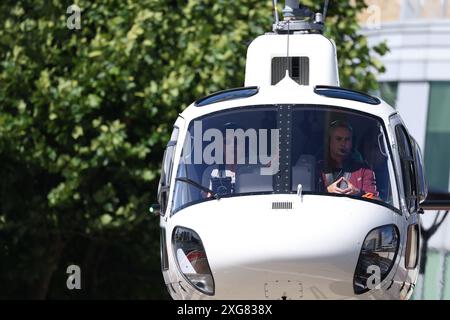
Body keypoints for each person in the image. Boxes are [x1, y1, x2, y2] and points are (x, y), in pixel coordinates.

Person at [318, 120, 379, 198]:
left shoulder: (364, 170)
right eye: (338, 139)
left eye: (347, 139)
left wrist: (358, 193)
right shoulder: (317, 168)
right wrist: (327, 191)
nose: (343, 144)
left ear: (352, 142)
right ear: (329, 141)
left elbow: (375, 199)